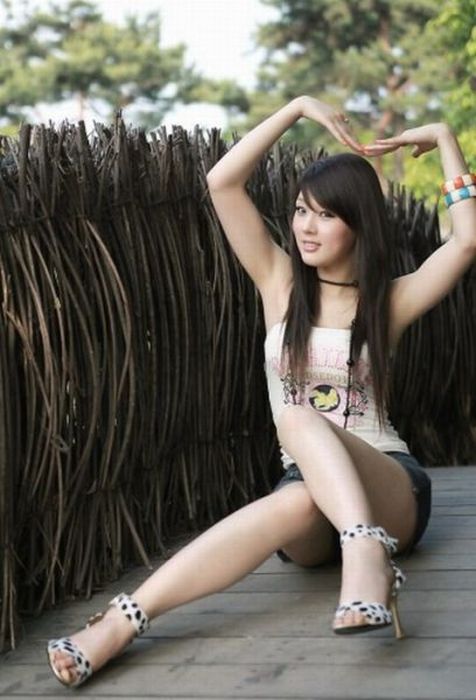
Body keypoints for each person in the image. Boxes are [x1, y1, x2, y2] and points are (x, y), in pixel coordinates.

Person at [47, 96, 476, 687]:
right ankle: (123, 622)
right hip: (306, 493)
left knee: (297, 420)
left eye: (326, 215)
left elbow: (466, 242)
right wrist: (295, 108)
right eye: (300, 210)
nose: (305, 226)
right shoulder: (279, 285)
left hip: (388, 486)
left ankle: (366, 550)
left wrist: (446, 136)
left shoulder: (388, 302)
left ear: (359, 224)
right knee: (297, 490)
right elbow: (222, 182)